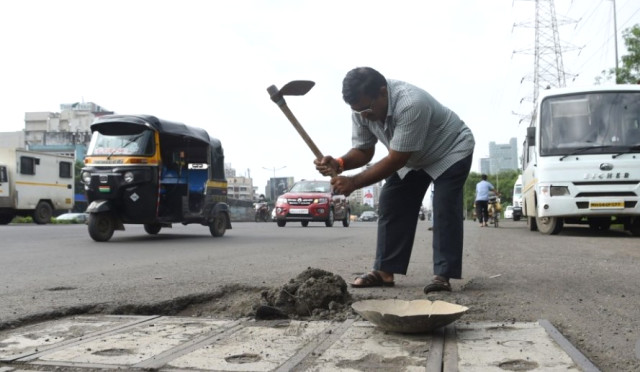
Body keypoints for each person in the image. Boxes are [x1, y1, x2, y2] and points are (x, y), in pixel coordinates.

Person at [315, 67, 475, 294]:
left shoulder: (411, 104)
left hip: (449, 150)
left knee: (444, 207)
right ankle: (384, 271)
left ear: (383, 92)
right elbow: (364, 150)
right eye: (357, 111)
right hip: (413, 156)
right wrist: (339, 164)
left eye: (367, 109)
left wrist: (353, 182)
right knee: (392, 202)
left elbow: (396, 159)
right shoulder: (362, 109)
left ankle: (443, 275)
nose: (363, 116)